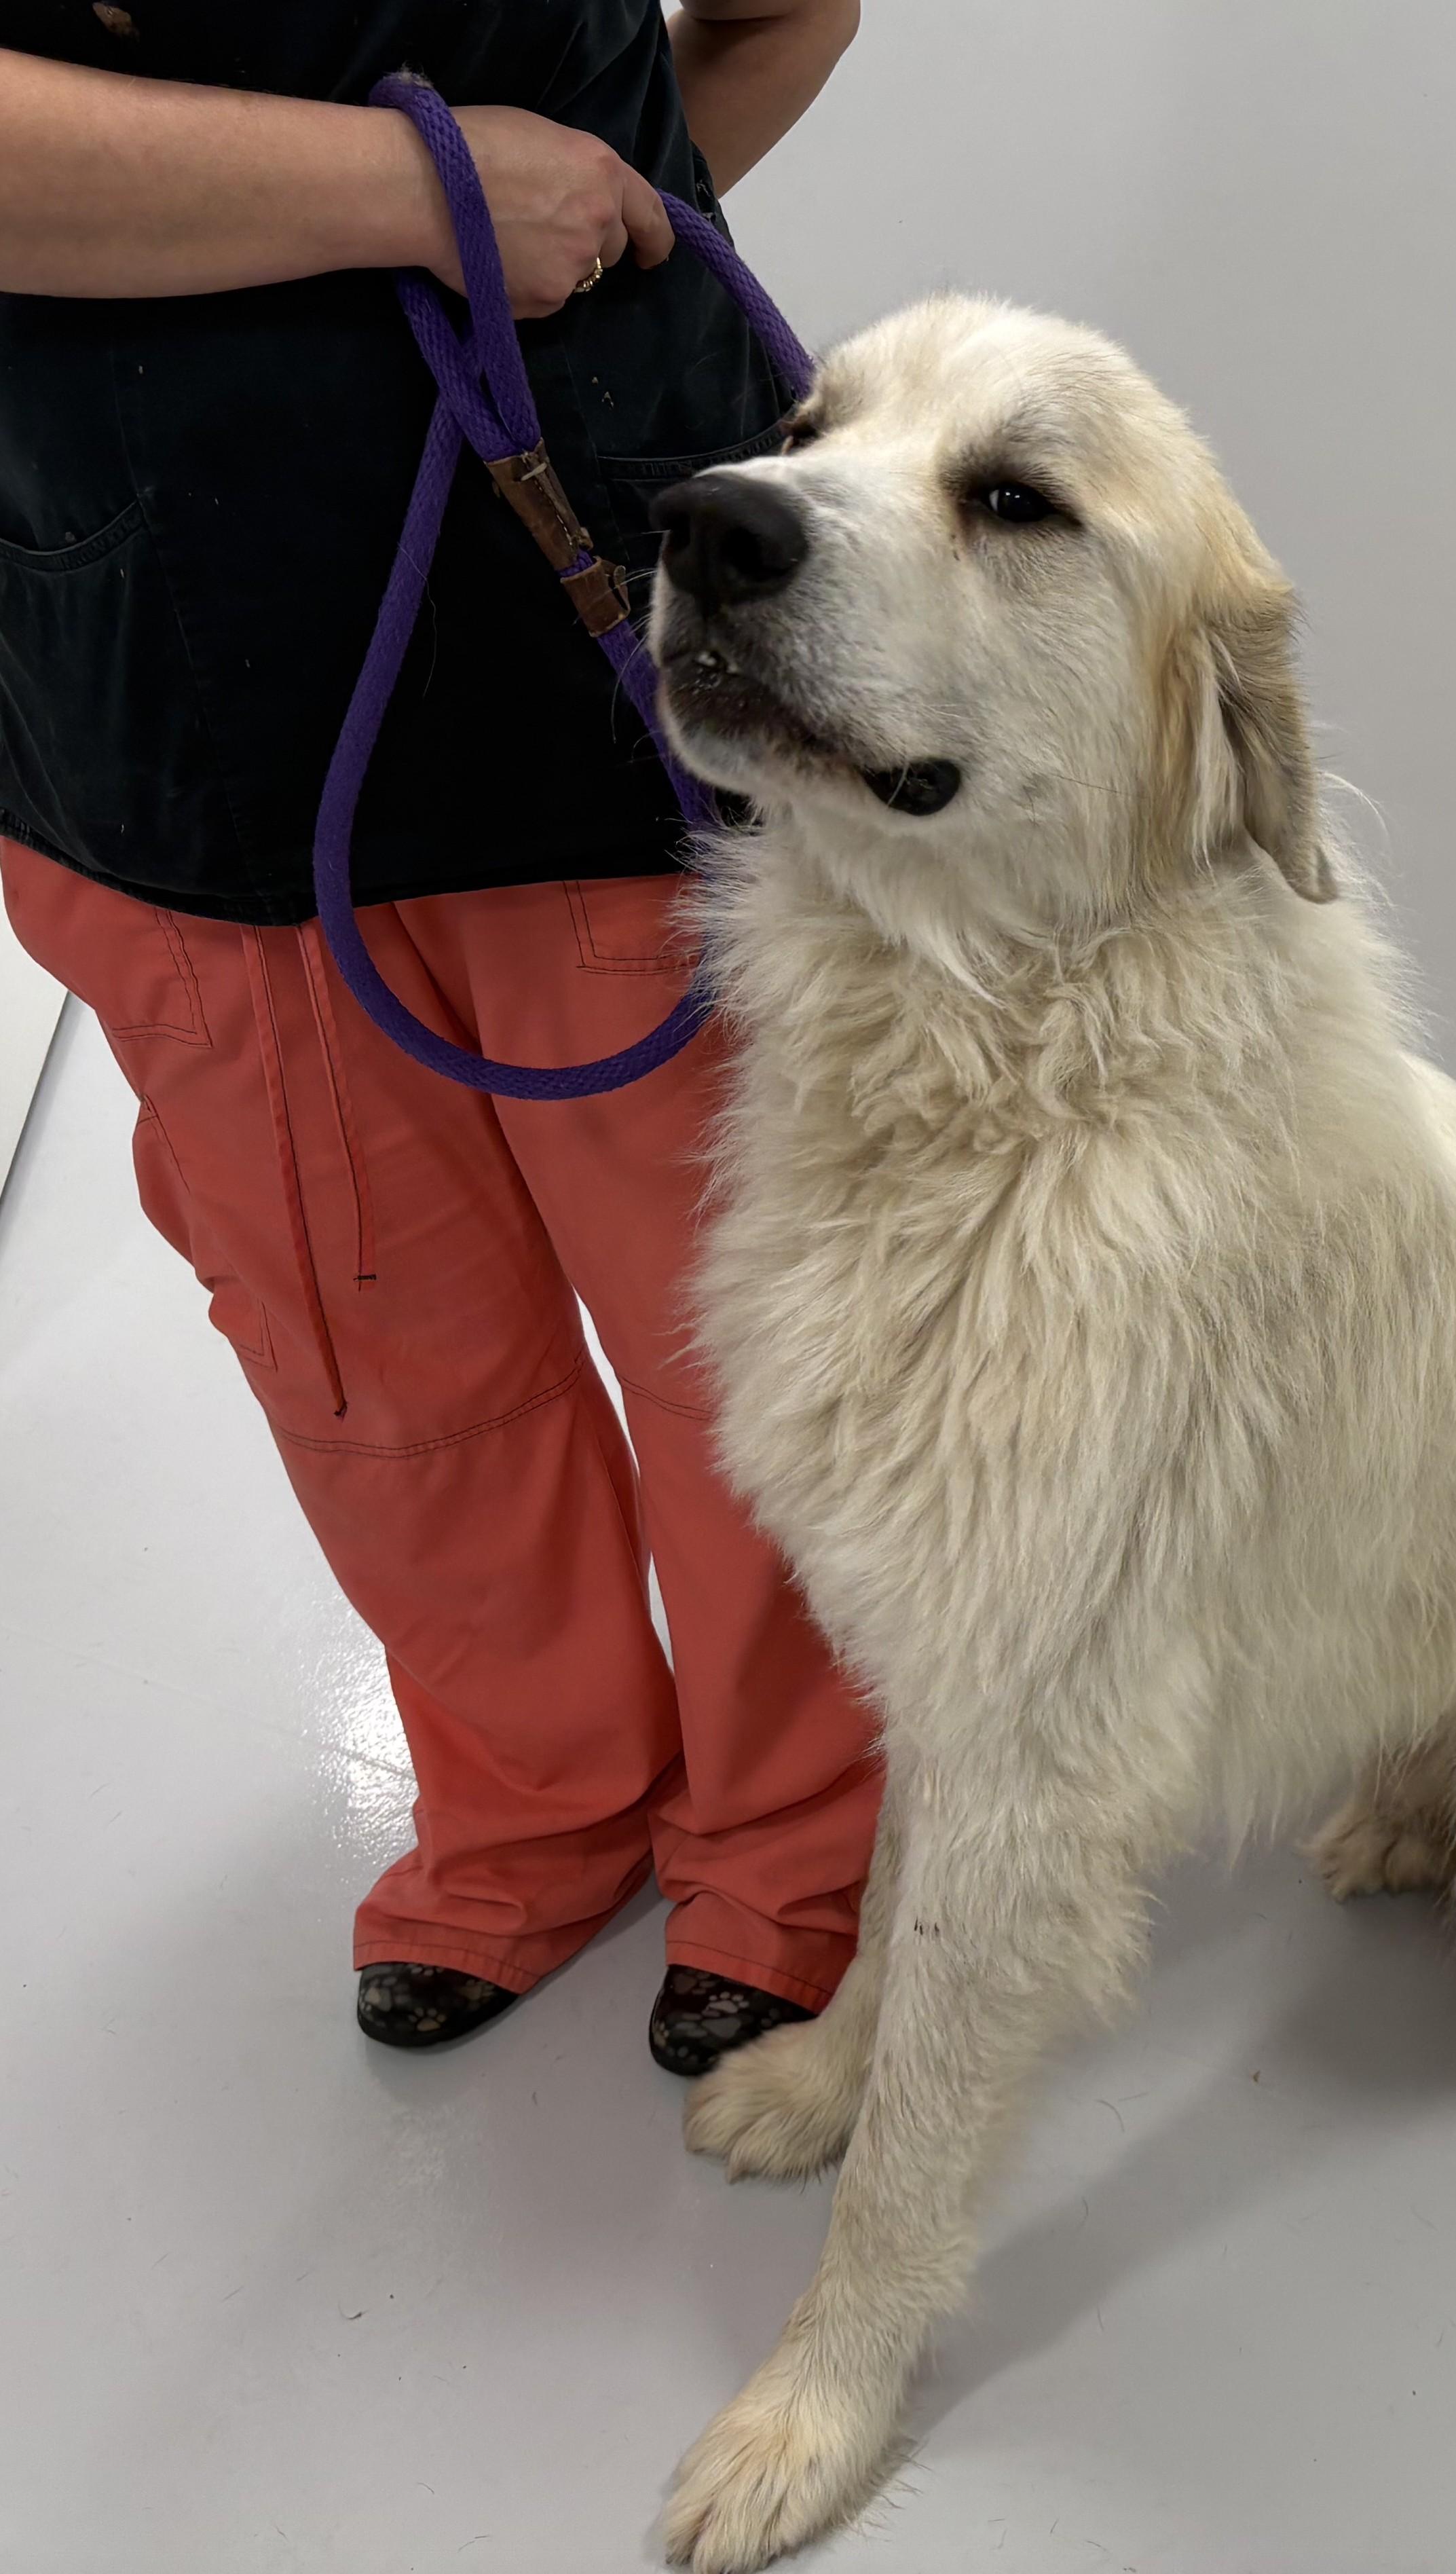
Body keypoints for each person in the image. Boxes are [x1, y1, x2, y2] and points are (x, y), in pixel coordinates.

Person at [0, 2, 881, 2075]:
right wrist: (427, 195)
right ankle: (534, 1804)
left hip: (598, 654)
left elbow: (787, 10)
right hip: (163, 708)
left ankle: (800, 1842)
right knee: (368, 1354)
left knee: (754, 1342)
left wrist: (589, 227)